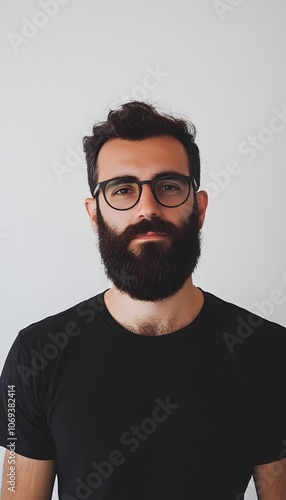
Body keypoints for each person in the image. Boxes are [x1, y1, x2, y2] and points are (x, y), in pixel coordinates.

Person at [0, 101, 286, 500]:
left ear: (199, 208)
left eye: (168, 186)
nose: (147, 208)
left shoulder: (268, 351)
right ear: (95, 214)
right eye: (122, 190)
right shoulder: (36, 356)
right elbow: (16, 491)